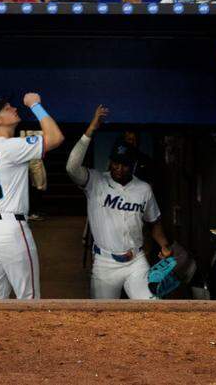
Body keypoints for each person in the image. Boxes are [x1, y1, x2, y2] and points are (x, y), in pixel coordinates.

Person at [65, 105, 172, 299]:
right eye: (115, 162)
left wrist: (164, 246)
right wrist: (90, 130)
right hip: (105, 263)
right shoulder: (95, 181)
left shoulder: (143, 189)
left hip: (136, 261)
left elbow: (154, 221)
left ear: (132, 166)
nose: (119, 168)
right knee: (104, 317)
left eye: (124, 164)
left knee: (151, 307)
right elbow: (72, 167)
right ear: (110, 161)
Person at [0, 93, 66, 299]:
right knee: (29, 298)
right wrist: (35, 105)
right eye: (7, 108)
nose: (14, 108)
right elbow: (56, 138)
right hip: (11, 227)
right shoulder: (10, 146)